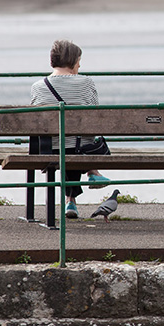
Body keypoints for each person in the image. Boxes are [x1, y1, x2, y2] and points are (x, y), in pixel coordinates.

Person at [29, 39, 110, 219]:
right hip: (82, 149)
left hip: (49, 149)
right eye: (79, 61)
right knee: (76, 143)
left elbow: (35, 121)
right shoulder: (86, 83)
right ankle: (90, 172)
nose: (80, 65)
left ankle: (71, 200)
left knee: (65, 143)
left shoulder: (38, 86)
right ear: (73, 61)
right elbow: (95, 117)